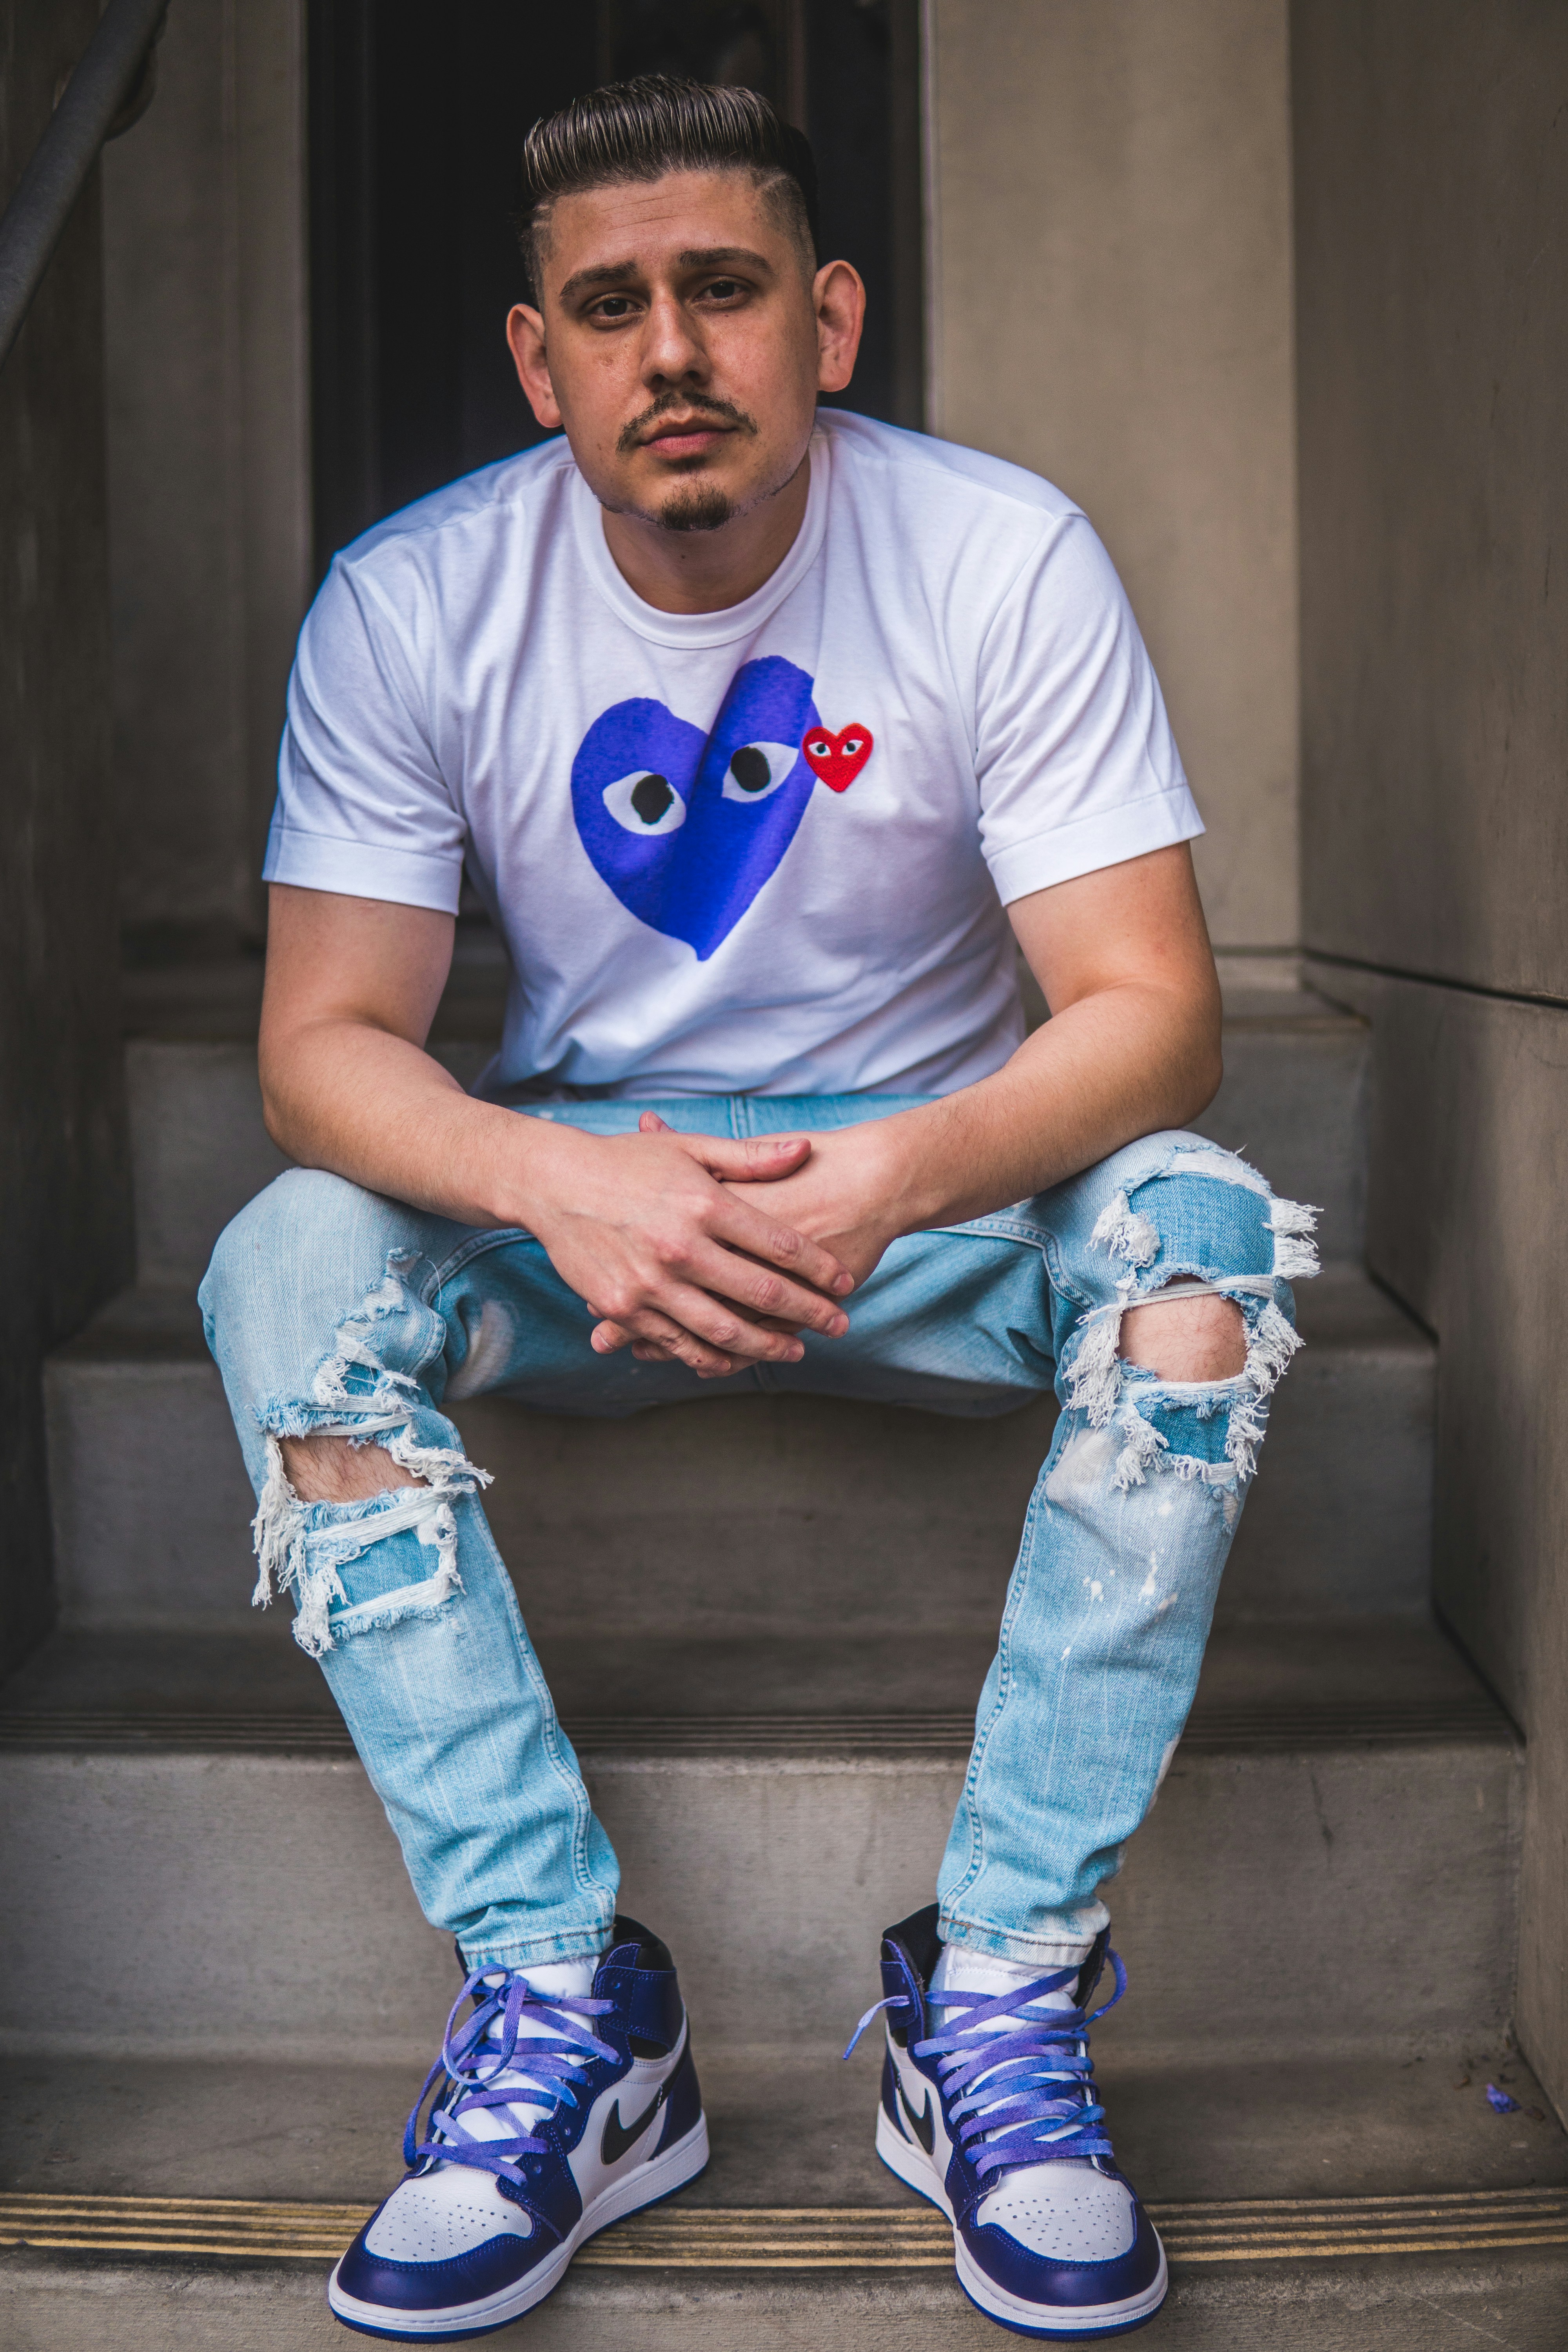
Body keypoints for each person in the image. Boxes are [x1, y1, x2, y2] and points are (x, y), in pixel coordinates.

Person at [200, 76, 1317, 2344]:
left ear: (830, 321)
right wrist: (554, 1181)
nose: (668, 353)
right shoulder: (416, 602)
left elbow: (1150, 1013)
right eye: (606, 309)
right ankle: (560, 1994)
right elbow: (326, 1042)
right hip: (595, 1209)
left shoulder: (1001, 554)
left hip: (939, 1203)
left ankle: (993, 1993)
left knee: (1198, 1240)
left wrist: (905, 1165)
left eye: (721, 292)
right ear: (539, 361)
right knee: (283, 1263)